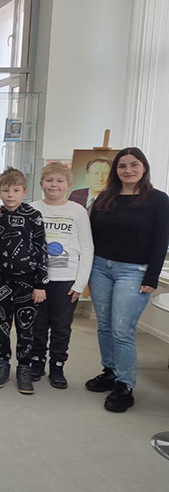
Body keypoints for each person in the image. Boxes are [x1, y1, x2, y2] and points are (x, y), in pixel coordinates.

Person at [85, 147, 169, 413]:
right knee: (104, 326)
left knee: (122, 330)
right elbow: (91, 237)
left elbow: (161, 241)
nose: (128, 170)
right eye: (122, 166)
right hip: (100, 268)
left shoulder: (158, 200)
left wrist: (152, 277)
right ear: (116, 170)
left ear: (144, 168)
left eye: (134, 165)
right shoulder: (104, 198)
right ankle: (110, 371)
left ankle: (124, 385)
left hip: (134, 271)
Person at [0, 167, 49, 395]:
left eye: (16, 190)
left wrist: (40, 284)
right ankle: (2, 363)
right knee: (1, 327)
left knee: (26, 328)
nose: (11, 195)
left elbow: (42, 250)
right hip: (0, 282)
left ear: (24, 192)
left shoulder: (34, 216)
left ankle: (24, 368)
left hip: (28, 284)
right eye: (6, 190)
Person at [31, 163, 94, 389]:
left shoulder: (77, 211)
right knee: (37, 326)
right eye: (49, 180)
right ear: (41, 184)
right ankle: (36, 361)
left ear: (69, 185)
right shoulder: (32, 209)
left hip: (66, 280)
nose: (54, 185)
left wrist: (80, 283)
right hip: (38, 281)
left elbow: (87, 248)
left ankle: (57, 365)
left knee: (61, 327)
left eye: (59, 181)